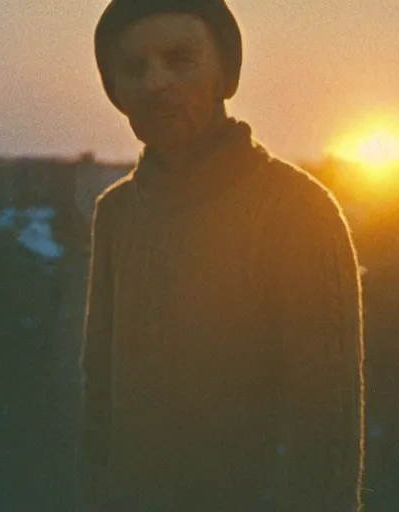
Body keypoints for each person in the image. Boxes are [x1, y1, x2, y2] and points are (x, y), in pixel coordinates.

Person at [76, 1, 365, 510]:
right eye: (134, 67)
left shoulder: (299, 211)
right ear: (113, 89)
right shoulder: (116, 214)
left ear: (225, 73)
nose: (156, 83)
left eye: (179, 58)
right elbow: (100, 405)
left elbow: (326, 440)